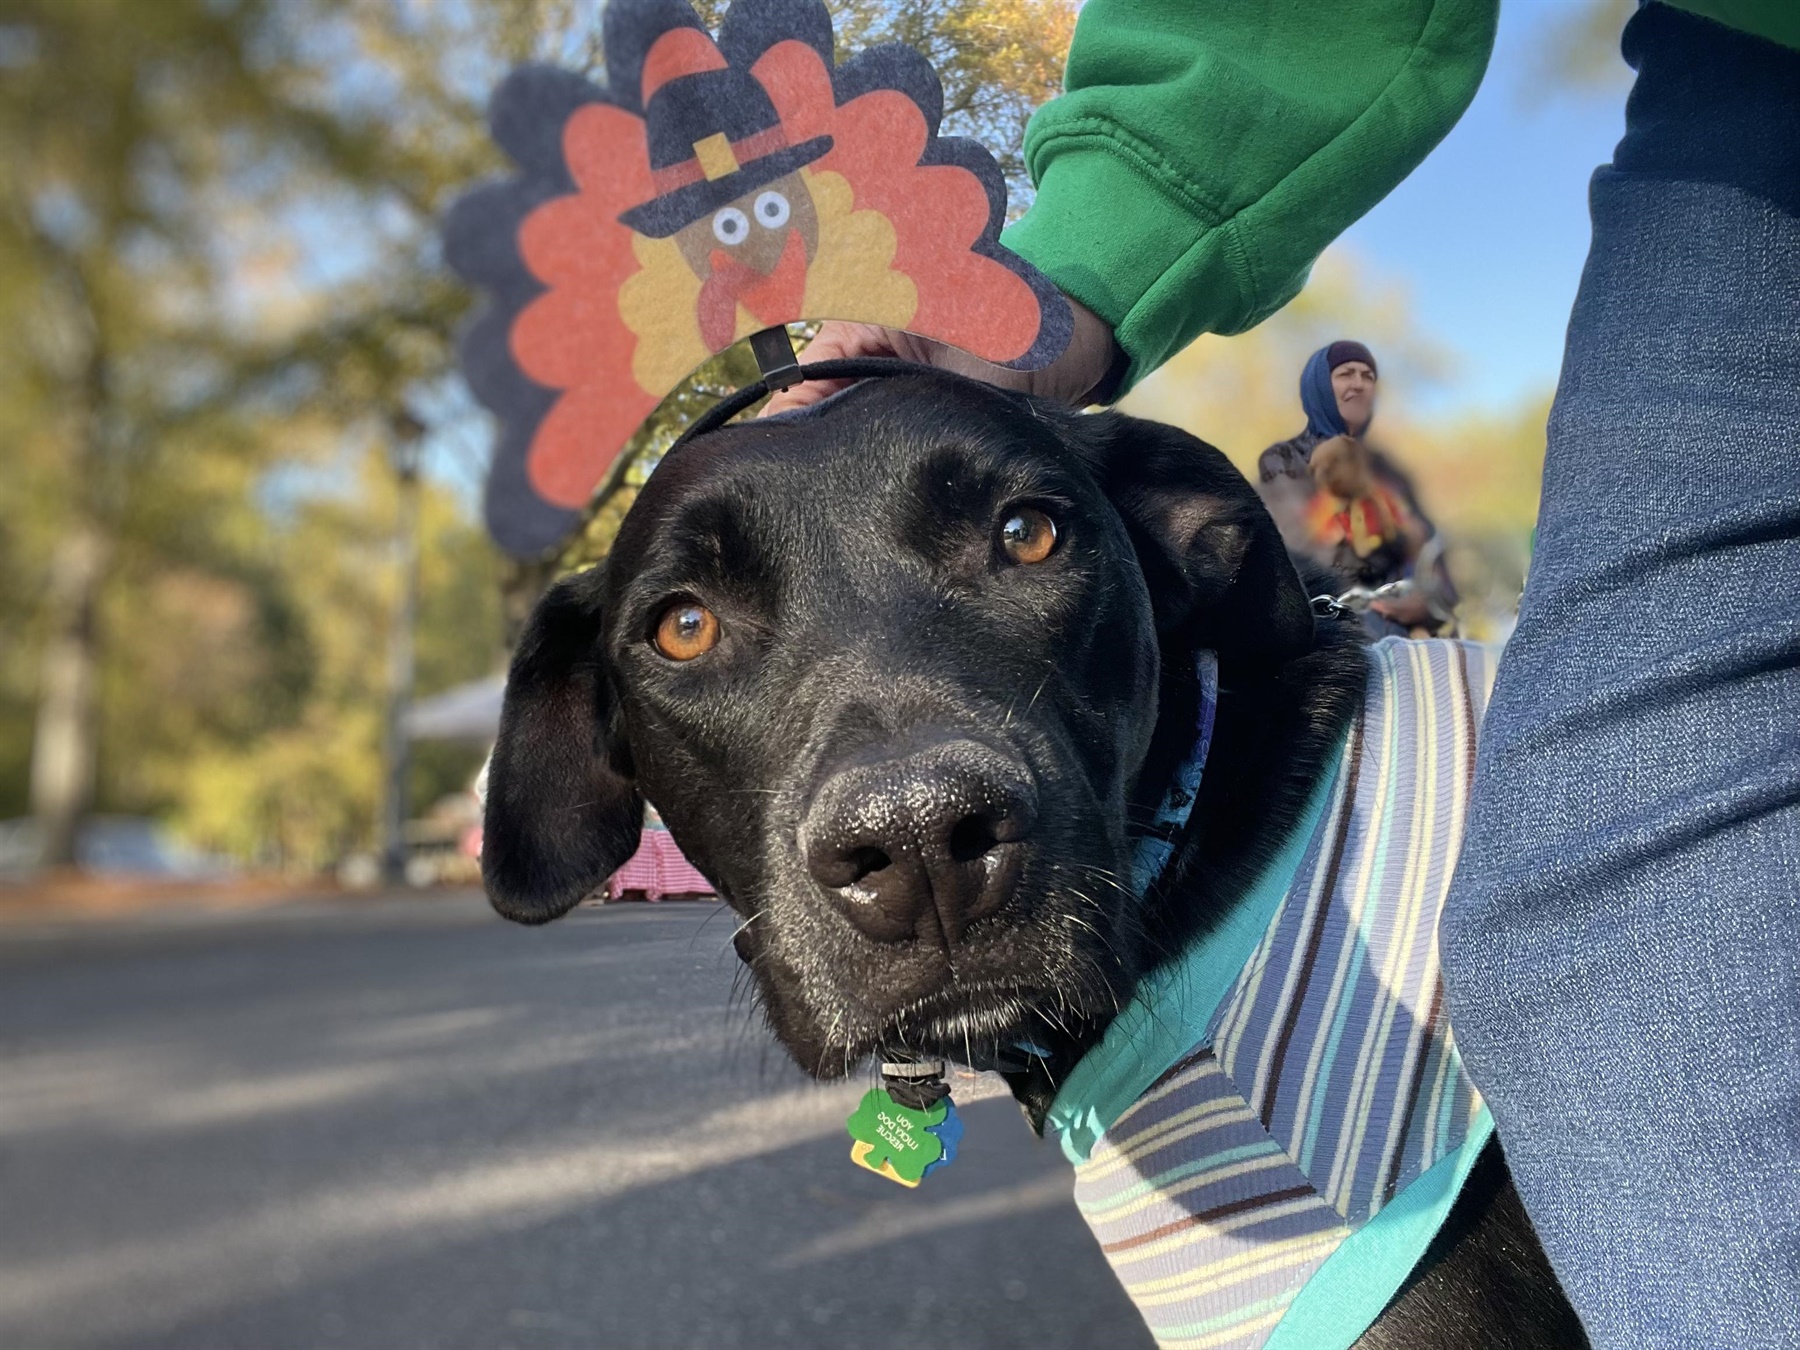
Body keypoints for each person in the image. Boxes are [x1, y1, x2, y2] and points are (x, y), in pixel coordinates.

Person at [765, 3, 1800, 1344]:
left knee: (1614, 908)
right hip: (1747, 86)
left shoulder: (1335, 499)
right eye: (684, 627)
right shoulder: (1299, 468)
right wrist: (1052, 287)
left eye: (1023, 536)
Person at [1255, 340, 1456, 632]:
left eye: (1368, 376)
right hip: (1329, 632)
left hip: (1401, 637)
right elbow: (1310, 553)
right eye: (1346, 374)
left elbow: (1437, 558)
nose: (1359, 384)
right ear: (1320, 386)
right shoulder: (1283, 462)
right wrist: (1402, 543)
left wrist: (1429, 603)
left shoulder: (1389, 471)